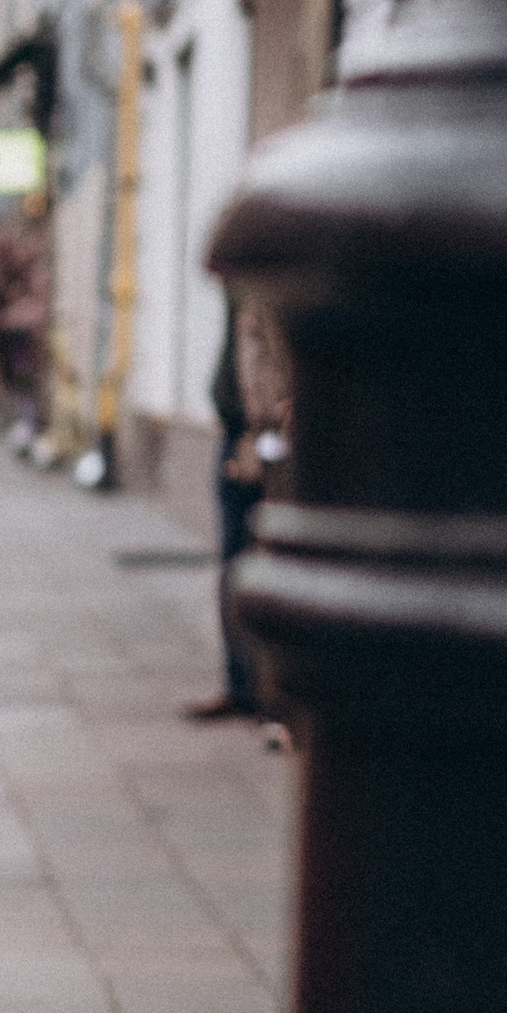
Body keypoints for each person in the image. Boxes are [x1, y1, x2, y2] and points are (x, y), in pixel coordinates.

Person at [184, 291, 290, 721]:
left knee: (264, 562)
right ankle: (241, 686)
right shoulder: (240, 289)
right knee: (233, 563)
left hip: (258, 437)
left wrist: (258, 431)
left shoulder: (270, 286)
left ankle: (273, 696)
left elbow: (272, 369)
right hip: (235, 433)